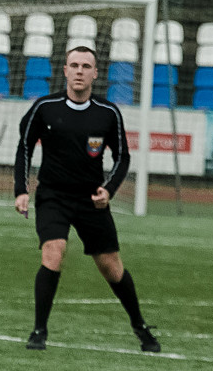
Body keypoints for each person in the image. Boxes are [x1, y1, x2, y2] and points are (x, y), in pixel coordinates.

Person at [13, 45, 160, 353]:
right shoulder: (45, 107)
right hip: (53, 196)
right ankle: (39, 331)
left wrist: (109, 190)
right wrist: (21, 190)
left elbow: (122, 157)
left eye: (86, 66)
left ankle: (140, 326)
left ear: (95, 73)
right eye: (74, 65)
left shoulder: (108, 113)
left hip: (92, 200)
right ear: (65, 70)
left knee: (111, 267)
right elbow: (24, 147)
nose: (79, 71)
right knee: (54, 252)